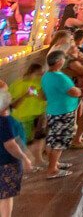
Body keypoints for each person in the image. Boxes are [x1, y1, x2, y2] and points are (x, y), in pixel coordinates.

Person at [41, 50, 80, 179]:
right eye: (63, 59)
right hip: (63, 112)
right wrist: (79, 90)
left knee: (52, 138)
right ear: (58, 62)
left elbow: (42, 95)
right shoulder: (60, 77)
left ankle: (54, 163)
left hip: (52, 111)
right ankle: (52, 169)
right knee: (60, 140)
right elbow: (73, 92)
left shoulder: (46, 76)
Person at [0, 87, 35, 217]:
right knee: (6, 196)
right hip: (6, 163)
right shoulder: (4, 121)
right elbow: (10, 144)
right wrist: (24, 158)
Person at [9, 61, 45, 166]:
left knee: (39, 138)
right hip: (23, 118)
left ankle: (38, 160)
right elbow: (13, 103)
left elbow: (42, 97)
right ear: (32, 72)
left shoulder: (39, 82)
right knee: (26, 142)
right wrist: (28, 93)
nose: (41, 75)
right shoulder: (18, 84)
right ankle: (27, 163)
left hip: (37, 114)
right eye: (39, 73)